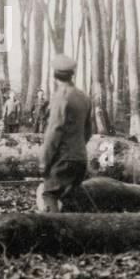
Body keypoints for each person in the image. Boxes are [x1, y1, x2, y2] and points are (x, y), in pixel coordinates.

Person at [38, 55, 94, 213]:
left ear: (54, 74)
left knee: (49, 194)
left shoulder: (60, 97)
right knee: (70, 199)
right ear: (72, 75)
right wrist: (77, 147)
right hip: (80, 159)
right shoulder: (84, 97)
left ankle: (54, 234)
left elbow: (53, 132)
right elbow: (88, 131)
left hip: (63, 160)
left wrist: (44, 161)